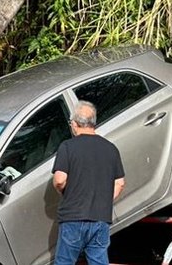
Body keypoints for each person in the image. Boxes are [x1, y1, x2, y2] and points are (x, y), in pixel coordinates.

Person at [51, 100, 125, 265]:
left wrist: (65, 192)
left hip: (73, 217)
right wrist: (104, 199)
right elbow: (119, 183)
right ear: (93, 123)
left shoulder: (67, 147)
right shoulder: (110, 148)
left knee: (64, 262)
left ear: (74, 124)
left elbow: (60, 180)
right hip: (100, 219)